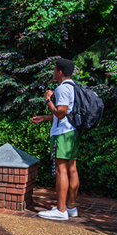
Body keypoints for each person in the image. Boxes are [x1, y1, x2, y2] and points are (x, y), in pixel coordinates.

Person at [31, 58, 80, 220]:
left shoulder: (62, 89)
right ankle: (71, 207)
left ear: (60, 72)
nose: (53, 72)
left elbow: (61, 113)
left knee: (61, 171)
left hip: (63, 134)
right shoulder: (74, 87)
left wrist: (47, 100)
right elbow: (64, 114)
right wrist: (45, 118)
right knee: (72, 168)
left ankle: (60, 211)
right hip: (72, 132)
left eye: (54, 69)